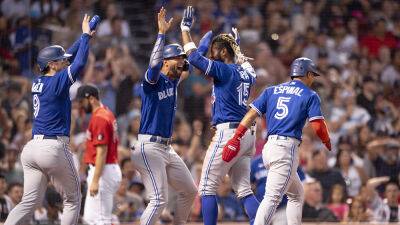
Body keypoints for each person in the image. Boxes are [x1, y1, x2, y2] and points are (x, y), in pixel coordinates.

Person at [4, 14, 94, 225]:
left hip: (32, 148)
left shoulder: (40, 80)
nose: (65, 61)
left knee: (28, 202)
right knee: (73, 199)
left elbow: (70, 56)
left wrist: (84, 35)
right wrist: (86, 38)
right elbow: (79, 61)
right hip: (53, 148)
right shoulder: (58, 81)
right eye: (61, 60)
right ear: (52, 65)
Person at [223, 57, 332, 225]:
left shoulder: (271, 90)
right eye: (313, 75)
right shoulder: (310, 94)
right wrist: (326, 140)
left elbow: (251, 114)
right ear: (308, 74)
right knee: (271, 199)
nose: (313, 79)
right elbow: (317, 124)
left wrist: (236, 136)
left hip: (269, 148)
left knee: (296, 194)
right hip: (285, 149)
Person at [180, 6, 259, 225]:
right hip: (246, 134)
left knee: (206, 187)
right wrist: (236, 47)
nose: (212, 53)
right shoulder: (248, 70)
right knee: (243, 189)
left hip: (229, 133)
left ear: (225, 52)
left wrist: (185, 30)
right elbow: (242, 62)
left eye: (216, 49)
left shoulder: (224, 70)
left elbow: (194, 58)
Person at [130, 7, 197, 225]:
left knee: (189, 190)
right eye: (177, 58)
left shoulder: (173, 80)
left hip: (166, 148)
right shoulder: (153, 81)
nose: (181, 61)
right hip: (148, 146)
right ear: (165, 61)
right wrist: (161, 34)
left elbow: (193, 61)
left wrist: (189, 33)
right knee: (159, 200)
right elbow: (153, 64)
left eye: (181, 58)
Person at [76, 84, 122, 225]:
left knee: (100, 220)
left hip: (103, 171)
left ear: (91, 99)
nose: (80, 106)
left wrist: (95, 180)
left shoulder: (100, 118)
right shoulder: (105, 112)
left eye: (81, 102)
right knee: (90, 219)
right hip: (105, 170)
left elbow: (102, 152)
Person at [250, 154, 305, 225]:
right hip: (262, 207)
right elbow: (248, 183)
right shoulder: (255, 163)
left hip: (282, 207)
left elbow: (302, 181)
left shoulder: (288, 161)